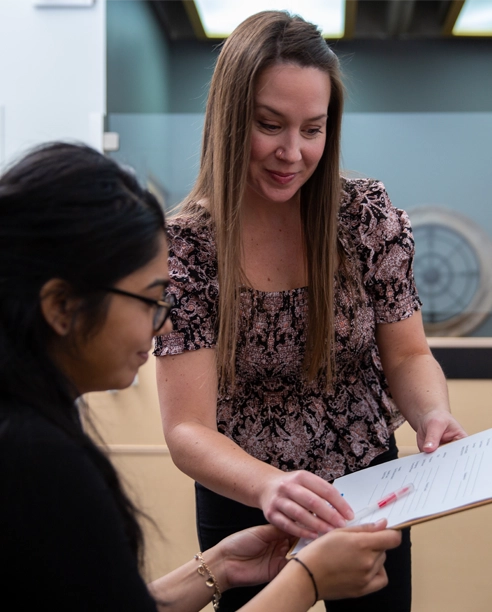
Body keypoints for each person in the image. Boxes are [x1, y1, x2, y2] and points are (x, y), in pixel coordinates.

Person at [154, 10, 467, 612]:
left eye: (313, 129)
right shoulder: (187, 248)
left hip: (366, 483)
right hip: (246, 492)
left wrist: (432, 412)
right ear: (229, 117)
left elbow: (408, 352)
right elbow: (187, 429)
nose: (292, 153)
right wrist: (272, 485)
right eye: (269, 125)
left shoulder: (364, 216)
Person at [0, 141, 402, 611]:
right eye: (150, 298)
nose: (166, 324)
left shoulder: (30, 433)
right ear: (61, 307)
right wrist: (307, 581)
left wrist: (224, 565)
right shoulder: (37, 461)